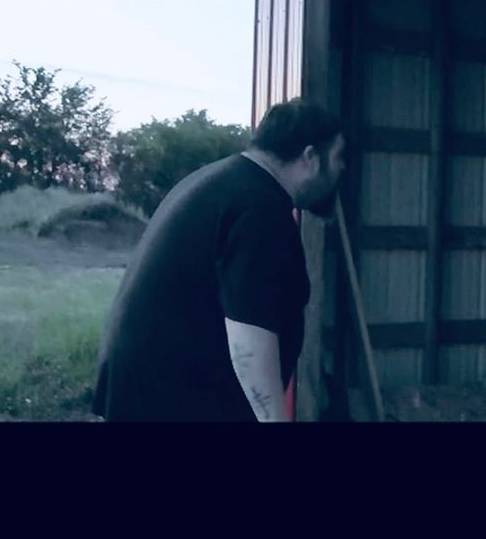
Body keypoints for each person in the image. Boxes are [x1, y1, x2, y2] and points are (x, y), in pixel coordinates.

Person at [91, 98, 346, 422]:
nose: (342, 170)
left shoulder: (222, 181)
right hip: (174, 403)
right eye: (338, 159)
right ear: (310, 157)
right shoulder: (260, 208)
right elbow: (249, 344)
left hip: (148, 393)